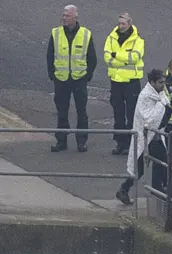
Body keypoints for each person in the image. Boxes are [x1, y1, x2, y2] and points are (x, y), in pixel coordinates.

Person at [116, 69, 171, 205]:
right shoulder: (146, 96)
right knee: (158, 162)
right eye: (160, 82)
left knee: (153, 164)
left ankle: (126, 189)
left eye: (164, 82)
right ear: (152, 82)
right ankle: (156, 189)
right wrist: (162, 105)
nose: (163, 85)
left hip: (155, 135)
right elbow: (149, 118)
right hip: (146, 137)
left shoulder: (160, 93)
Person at [47, 5, 97, 152]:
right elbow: (50, 55)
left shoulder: (85, 34)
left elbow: (92, 58)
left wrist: (87, 76)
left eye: (67, 15)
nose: (64, 18)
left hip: (79, 79)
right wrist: (52, 74)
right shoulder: (55, 33)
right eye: (63, 15)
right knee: (61, 111)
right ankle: (61, 141)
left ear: (75, 17)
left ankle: (82, 141)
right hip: (61, 79)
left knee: (81, 111)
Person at [104, 12, 145, 155]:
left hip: (131, 82)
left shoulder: (138, 39)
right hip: (116, 81)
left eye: (124, 24)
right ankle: (120, 143)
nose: (121, 26)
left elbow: (135, 57)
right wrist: (122, 58)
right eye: (119, 23)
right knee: (118, 113)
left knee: (132, 114)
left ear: (129, 24)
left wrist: (116, 55)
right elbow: (107, 57)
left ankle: (131, 144)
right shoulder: (111, 37)